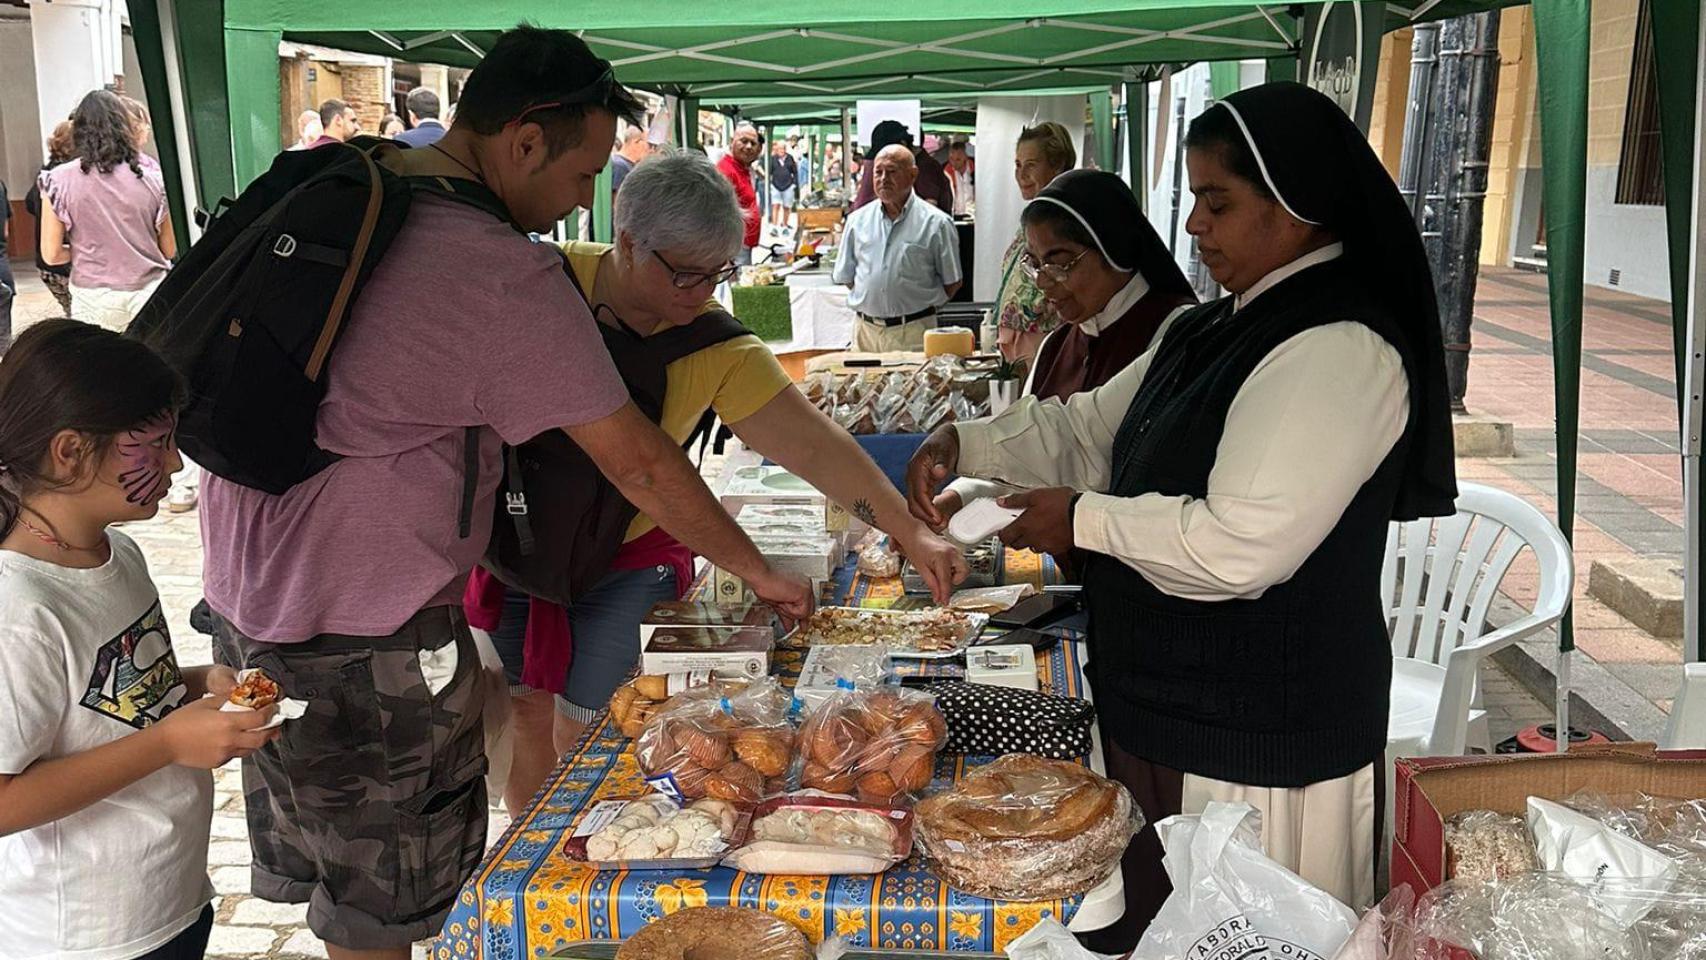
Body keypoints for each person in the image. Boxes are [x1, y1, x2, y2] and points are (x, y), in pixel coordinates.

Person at [201, 27, 812, 960]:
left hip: (250, 596)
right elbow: (639, 462)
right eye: (583, 176)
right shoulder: (498, 268)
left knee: (344, 885)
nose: (583, 204)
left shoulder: (357, 183)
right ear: (524, 139)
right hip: (371, 629)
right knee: (391, 908)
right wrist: (759, 573)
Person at [906, 82, 1457, 948]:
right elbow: (1089, 430)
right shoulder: (1204, 329)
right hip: (1166, 705)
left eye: (1217, 201)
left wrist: (1081, 522)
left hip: (1259, 736)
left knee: (1250, 929)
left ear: (1299, 205)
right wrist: (964, 443)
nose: (1194, 225)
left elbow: (1240, 545)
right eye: (1195, 199)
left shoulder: (1337, 345)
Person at [466, 151, 967, 811]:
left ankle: (582, 862)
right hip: (518, 544)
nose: (701, 293)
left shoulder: (717, 345)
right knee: (528, 709)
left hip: (627, 559)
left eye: (718, 274)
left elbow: (819, 449)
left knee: (594, 723)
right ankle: (532, 871)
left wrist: (910, 531)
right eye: (683, 274)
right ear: (624, 240)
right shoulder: (544, 286)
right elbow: (639, 465)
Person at [0, 319, 280, 960]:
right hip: (84, 936)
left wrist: (193, 685)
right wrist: (168, 742)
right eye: (154, 443)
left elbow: (103, 699)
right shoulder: (19, 609)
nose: (175, 462)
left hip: (167, 899)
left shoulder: (116, 555)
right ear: (70, 451)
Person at [932, 170, 1195, 526]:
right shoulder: (1056, 345)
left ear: (1113, 248)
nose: (1043, 282)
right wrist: (957, 498)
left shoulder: (1176, 333)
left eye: (1059, 262)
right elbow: (1027, 463)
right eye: (1035, 264)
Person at [38, 89, 174, 334]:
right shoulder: (155, 180)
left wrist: (87, 249)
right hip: (150, 293)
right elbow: (169, 249)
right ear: (124, 127)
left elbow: (51, 254)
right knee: (150, 367)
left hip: (94, 297)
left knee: (99, 368)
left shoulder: (57, 181)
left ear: (78, 131)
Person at [833, 144, 962, 353]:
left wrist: (910, 304)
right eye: (878, 172)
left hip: (914, 333)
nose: (883, 178)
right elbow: (847, 276)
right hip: (865, 333)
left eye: (892, 171)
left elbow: (952, 283)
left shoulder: (936, 223)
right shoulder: (857, 221)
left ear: (913, 175)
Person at [993, 122, 1076, 364]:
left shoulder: (1066, 221)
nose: (1021, 174)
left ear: (1058, 164)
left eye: (1031, 165)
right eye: (1018, 165)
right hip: (1017, 349)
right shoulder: (1035, 218)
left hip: (1045, 345)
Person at [25, 122, 77, 320]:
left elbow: (29, 204)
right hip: (65, 261)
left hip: (46, 264)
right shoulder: (65, 178)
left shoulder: (45, 173)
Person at [852, 119, 951, 212]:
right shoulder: (919, 164)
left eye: (891, 170)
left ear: (903, 145)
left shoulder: (925, 167)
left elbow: (930, 206)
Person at [717, 121, 763, 263]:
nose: (749, 146)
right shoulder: (726, 170)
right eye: (744, 141)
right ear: (732, 142)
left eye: (753, 143)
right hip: (735, 246)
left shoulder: (743, 169)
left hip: (743, 244)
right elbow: (720, 213)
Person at [609, 125, 649, 197]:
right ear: (636, 142)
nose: (649, 149)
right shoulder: (620, 166)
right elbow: (618, 201)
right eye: (648, 144)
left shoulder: (627, 165)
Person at [768, 138, 798, 230]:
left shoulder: (790, 158)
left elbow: (795, 172)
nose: (781, 150)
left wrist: (794, 184)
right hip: (776, 185)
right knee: (775, 205)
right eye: (779, 148)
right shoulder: (773, 159)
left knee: (786, 206)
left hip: (788, 185)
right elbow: (769, 171)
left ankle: (785, 225)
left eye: (783, 148)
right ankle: (774, 226)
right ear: (777, 149)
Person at [945, 138, 974, 217]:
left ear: (965, 157)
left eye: (958, 159)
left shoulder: (976, 169)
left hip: (974, 215)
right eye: (951, 159)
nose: (954, 163)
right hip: (956, 215)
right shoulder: (946, 173)